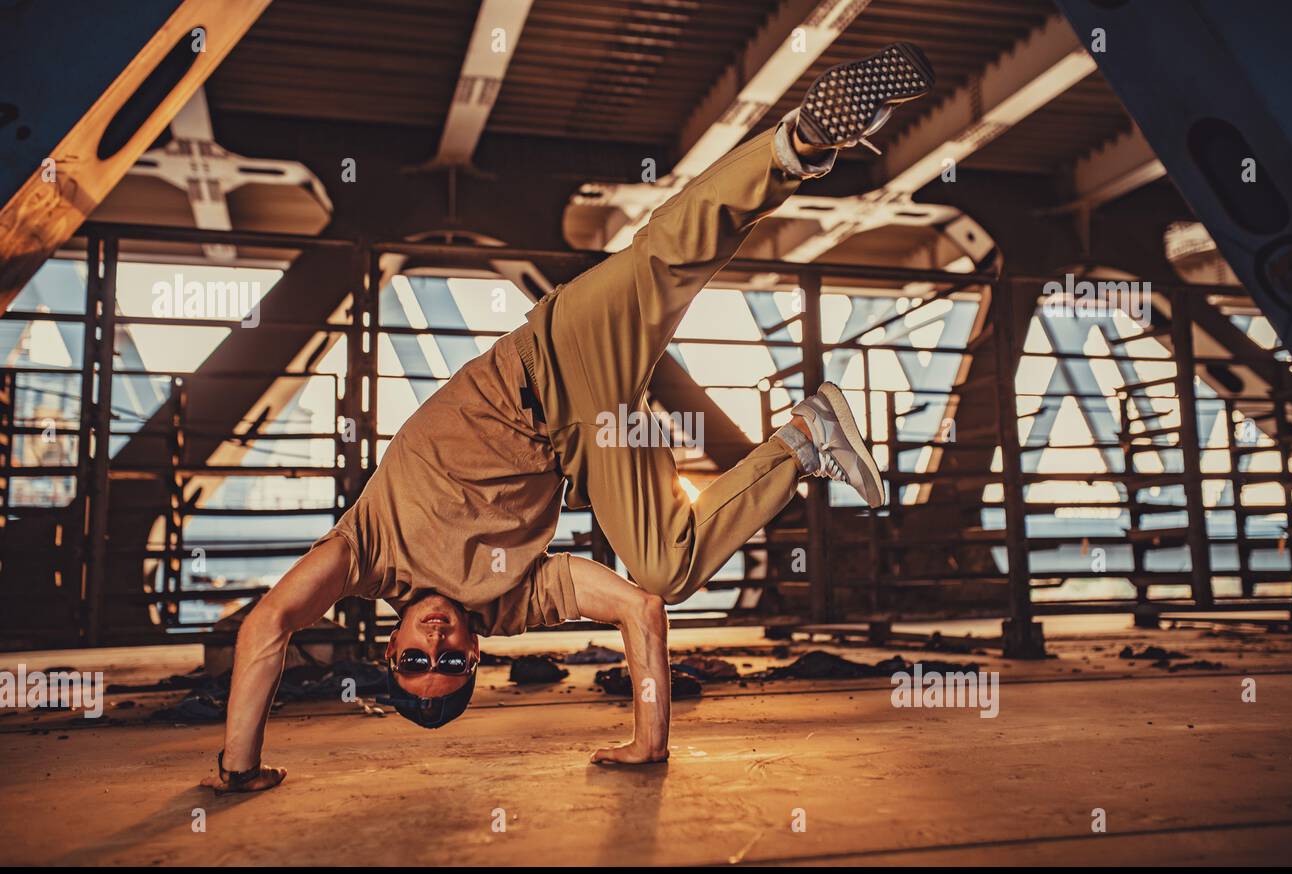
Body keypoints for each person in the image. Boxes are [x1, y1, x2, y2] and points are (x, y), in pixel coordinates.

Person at [203, 43, 934, 793]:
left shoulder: (367, 551)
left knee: (669, 255)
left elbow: (269, 624)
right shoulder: (513, 602)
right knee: (663, 566)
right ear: (474, 658)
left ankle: (802, 142)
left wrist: (240, 766)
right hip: (592, 444)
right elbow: (639, 607)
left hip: (557, 356)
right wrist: (649, 742)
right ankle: (806, 440)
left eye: (415, 660)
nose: (435, 644)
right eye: (449, 664)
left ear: (387, 647)